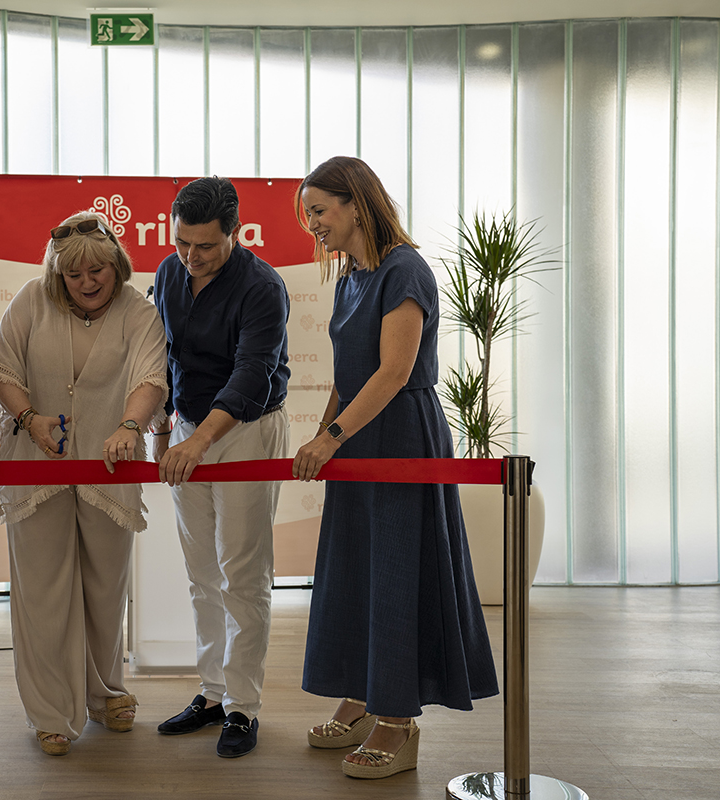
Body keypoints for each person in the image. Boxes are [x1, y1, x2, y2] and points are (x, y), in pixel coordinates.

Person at [292, 156, 498, 779]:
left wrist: (331, 437)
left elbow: (394, 372)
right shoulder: (350, 276)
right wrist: (325, 435)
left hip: (402, 433)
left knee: (396, 573)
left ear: (356, 203)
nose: (313, 224)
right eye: (308, 215)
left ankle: (397, 720)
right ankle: (361, 695)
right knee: (356, 569)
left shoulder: (405, 269)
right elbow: (347, 376)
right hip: (358, 436)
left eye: (319, 210)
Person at [0, 211, 167, 756]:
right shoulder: (29, 302)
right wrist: (29, 418)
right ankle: (50, 711)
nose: (86, 283)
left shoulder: (139, 312)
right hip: (37, 468)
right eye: (73, 274)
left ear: (117, 265)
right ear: (56, 273)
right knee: (43, 591)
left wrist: (129, 426)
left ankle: (104, 691)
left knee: (105, 589)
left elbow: (151, 378)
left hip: (109, 469)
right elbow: (1, 369)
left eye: (97, 271)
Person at [151, 177, 291, 759]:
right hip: (188, 427)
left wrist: (200, 441)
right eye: (182, 242)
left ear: (235, 232)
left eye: (205, 245)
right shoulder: (168, 273)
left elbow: (252, 372)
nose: (191, 256)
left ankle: (242, 706)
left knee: (243, 574)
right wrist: (165, 431)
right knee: (202, 572)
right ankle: (212, 693)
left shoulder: (263, 287)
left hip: (246, 431)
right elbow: (163, 357)